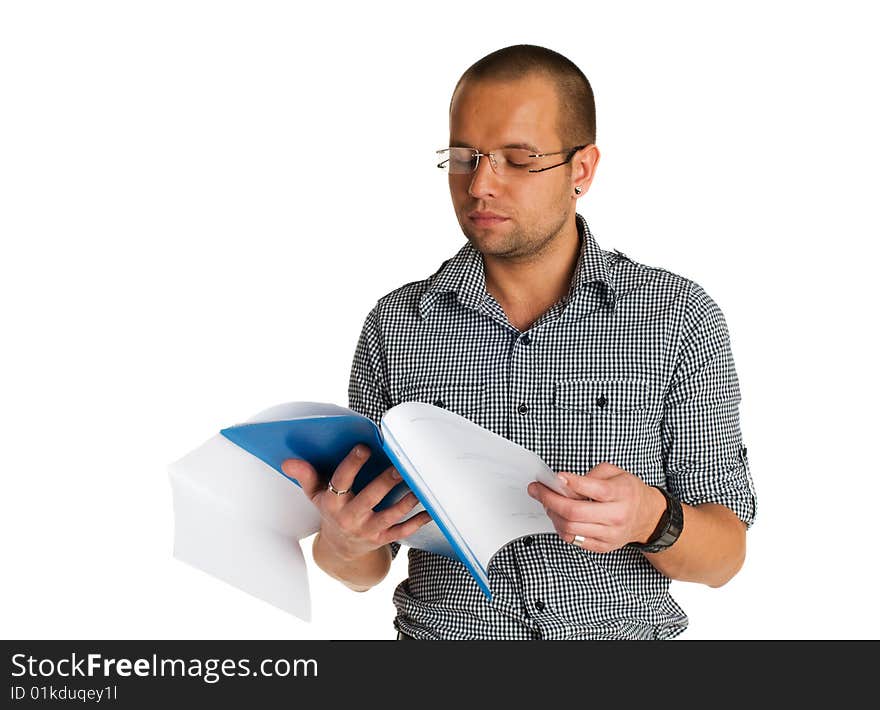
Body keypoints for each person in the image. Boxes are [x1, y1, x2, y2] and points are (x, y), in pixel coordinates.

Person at [281, 44, 757, 640]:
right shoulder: (395, 325)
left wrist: (649, 518)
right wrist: (342, 541)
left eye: (518, 157)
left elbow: (726, 557)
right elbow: (364, 566)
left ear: (581, 169)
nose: (481, 183)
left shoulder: (678, 319)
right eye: (465, 156)